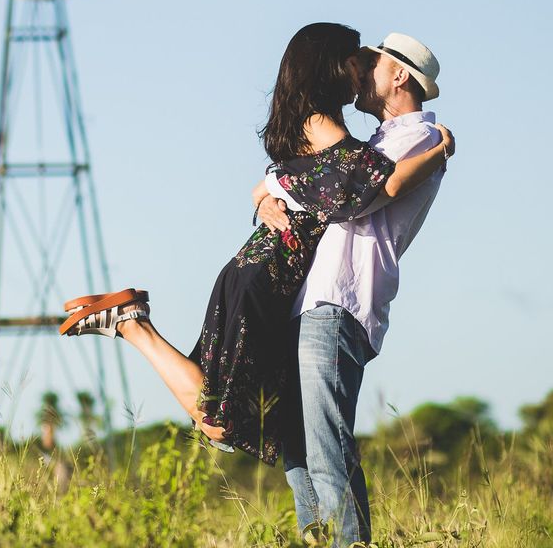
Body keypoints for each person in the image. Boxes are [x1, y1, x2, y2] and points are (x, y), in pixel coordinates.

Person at [57, 24, 454, 466]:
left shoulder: (352, 132)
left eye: (367, 64)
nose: (359, 72)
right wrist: (442, 151)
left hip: (270, 269)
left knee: (232, 411)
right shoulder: (329, 127)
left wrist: (270, 187)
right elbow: (367, 188)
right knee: (224, 416)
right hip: (272, 271)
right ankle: (133, 325)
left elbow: (321, 181)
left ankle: (132, 324)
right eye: (354, 62)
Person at [257, 32, 447, 545]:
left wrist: (283, 186)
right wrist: (266, 195)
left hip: (342, 302)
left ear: (400, 76)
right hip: (315, 302)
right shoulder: (379, 145)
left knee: (325, 444)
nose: (360, 74)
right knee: (296, 444)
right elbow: (316, 179)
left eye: (372, 65)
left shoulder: (419, 139)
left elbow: (355, 198)